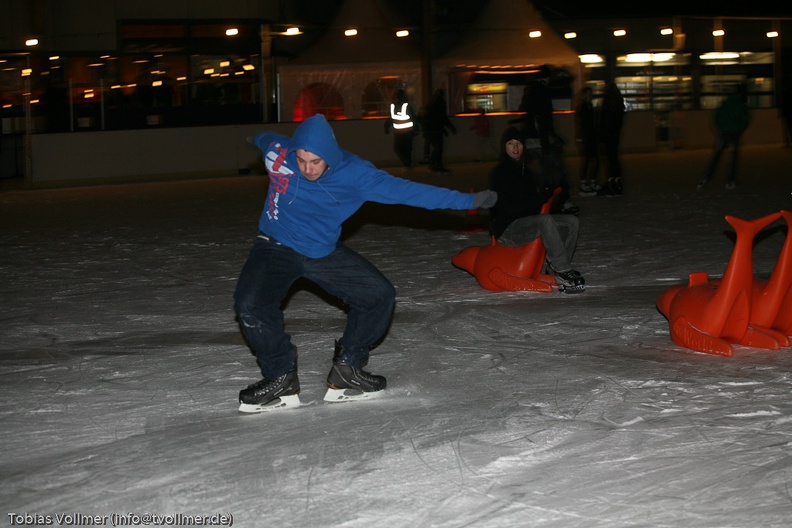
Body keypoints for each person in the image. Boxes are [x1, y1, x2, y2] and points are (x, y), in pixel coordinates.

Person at [236, 114, 498, 412]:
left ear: (331, 158)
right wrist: (254, 135)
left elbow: (409, 192)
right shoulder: (279, 152)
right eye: (302, 160)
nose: (307, 169)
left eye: (316, 162)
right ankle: (279, 378)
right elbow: (266, 137)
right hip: (274, 247)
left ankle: (348, 370)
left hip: (320, 251)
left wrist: (467, 201)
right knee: (250, 305)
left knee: (378, 295)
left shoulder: (356, 174)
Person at [488, 126, 585, 293]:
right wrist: (538, 199)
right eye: (511, 143)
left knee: (570, 222)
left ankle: (557, 269)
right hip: (509, 229)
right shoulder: (500, 173)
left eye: (518, 143)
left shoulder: (528, 172)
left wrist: (554, 197)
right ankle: (562, 270)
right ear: (504, 147)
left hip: (527, 224)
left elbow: (536, 207)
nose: (515, 147)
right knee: (544, 221)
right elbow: (510, 208)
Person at [510, 65, 577, 214]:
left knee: (543, 172)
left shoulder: (531, 91)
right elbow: (541, 119)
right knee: (557, 171)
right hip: (541, 139)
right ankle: (561, 201)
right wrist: (547, 139)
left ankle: (542, 203)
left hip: (534, 140)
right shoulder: (541, 91)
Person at [698, 84, 751, 190]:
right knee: (733, 157)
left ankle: (706, 178)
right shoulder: (741, 106)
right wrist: (740, 128)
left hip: (723, 132)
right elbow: (746, 119)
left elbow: (714, 118)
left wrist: (719, 128)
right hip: (735, 133)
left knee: (716, 156)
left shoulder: (723, 105)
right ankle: (730, 180)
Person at [597, 81, 625, 196]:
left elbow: (604, 120)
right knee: (614, 158)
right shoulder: (618, 102)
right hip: (615, 133)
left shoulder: (607, 102)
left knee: (609, 159)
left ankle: (611, 182)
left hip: (608, 134)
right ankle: (616, 182)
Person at [421, 89, 456, 174]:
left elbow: (427, 118)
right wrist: (450, 128)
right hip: (436, 130)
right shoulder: (440, 103)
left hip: (429, 130)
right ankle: (437, 165)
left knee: (436, 149)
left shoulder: (430, 104)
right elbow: (442, 118)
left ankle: (433, 165)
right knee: (438, 149)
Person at [384, 89, 419, 170]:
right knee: (402, 149)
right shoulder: (394, 106)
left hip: (405, 132)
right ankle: (408, 164)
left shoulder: (405, 106)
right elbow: (391, 118)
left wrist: (386, 126)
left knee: (402, 149)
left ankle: (407, 165)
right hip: (402, 132)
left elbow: (413, 118)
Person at [574, 87, 600, 195]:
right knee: (589, 159)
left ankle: (588, 181)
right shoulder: (584, 107)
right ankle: (585, 182)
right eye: (589, 94)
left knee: (591, 159)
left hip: (590, 136)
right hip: (587, 137)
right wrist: (580, 137)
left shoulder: (588, 107)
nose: (591, 96)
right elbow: (583, 124)